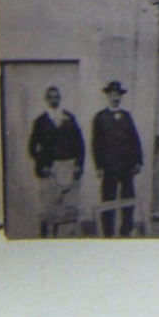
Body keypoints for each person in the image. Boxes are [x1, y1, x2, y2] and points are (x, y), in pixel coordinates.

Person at [28, 85, 84, 237]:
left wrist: (78, 165)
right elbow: (32, 147)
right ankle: (47, 242)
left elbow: (80, 144)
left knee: (69, 209)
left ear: (60, 98)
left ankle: (67, 241)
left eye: (57, 96)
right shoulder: (40, 121)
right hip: (50, 170)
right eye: (51, 97)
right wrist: (43, 166)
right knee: (49, 209)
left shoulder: (70, 118)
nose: (54, 99)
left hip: (69, 168)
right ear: (46, 100)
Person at [91, 80, 142, 237]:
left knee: (128, 197)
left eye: (118, 95)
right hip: (108, 166)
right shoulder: (100, 117)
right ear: (107, 96)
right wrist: (99, 166)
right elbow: (96, 143)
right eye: (112, 95)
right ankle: (108, 233)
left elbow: (135, 139)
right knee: (108, 198)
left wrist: (138, 161)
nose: (115, 98)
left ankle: (126, 230)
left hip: (126, 166)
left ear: (121, 97)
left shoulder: (127, 116)